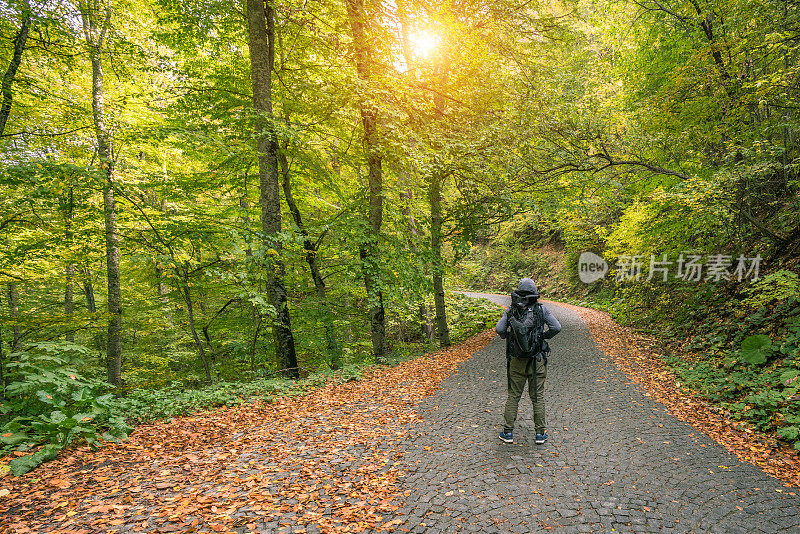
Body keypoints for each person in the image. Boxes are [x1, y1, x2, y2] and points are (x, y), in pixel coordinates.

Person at [495, 278, 561, 444]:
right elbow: (556, 327)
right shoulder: (541, 309)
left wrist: (507, 336)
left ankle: (508, 433)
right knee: (537, 397)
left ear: (518, 291)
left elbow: (499, 329)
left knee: (513, 396)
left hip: (516, 360)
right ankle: (540, 434)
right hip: (536, 359)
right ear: (534, 292)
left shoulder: (511, 309)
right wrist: (542, 337)